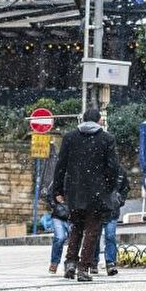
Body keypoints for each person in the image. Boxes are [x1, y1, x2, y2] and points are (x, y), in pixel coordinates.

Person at [52, 109, 120, 282]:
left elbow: (61, 166)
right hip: (97, 193)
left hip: (74, 192)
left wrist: (58, 190)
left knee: (76, 226)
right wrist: (109, 188)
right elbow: (113, 168)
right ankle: (83, 268)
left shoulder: (70, 137)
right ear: (99, 120)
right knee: (92, 230)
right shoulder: (107, 139)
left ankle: (70, 263)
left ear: (82, 119)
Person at [93, 165, 130, 276]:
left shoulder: (120, 170)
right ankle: (93, 262)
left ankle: (110, 263)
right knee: (95, 236)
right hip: (97, 209)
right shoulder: (97, 167)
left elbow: (125, 187)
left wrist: (120, 200)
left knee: (110, 236)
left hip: (112, 210)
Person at [45, 184, 71, 275]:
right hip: (58, 215)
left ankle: (70, 264)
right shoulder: (59, 179)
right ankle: (54, 263)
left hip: (73, 215)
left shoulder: (79, 177)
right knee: (60, 238)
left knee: (74, 241)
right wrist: (55, 205)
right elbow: (49, 194)